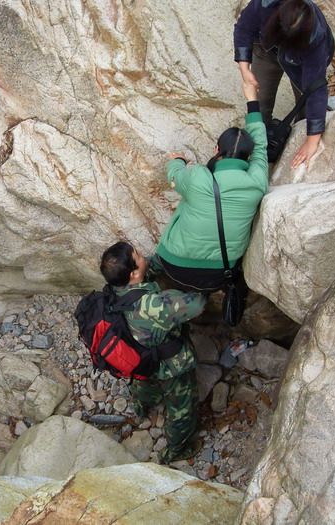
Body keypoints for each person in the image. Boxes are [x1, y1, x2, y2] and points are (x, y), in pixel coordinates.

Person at [151, 81, 267, 294]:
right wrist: (252, 101)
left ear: (216, 149)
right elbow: (261, 146)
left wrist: (178, 160)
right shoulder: (257, 180)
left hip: (174, 265)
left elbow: (174, 176)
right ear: (249, 157)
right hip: (219, 274)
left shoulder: (198, 177)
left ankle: (151, 269)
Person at [100, 241, 206, 463]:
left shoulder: (114, 289)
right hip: (170, 366)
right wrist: (205, 279)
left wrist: (168, 255)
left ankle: (143, 407)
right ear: (134, 273)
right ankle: (176, 451)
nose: (141, 254)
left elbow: (148, 272)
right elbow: (198, 303)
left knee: (144, 383)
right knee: (182, 410)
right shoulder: (155, 306)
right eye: (138, 256)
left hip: (138, 358)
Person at [234, 0, 335, 168]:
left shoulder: (315, 37)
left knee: (304, 103)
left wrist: (312, 139)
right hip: (266, 49)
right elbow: (244, 28)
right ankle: (259, 151)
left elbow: (315, 89)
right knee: (261, 101)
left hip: (300, 60)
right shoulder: (265, 4)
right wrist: (244, 68)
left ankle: (297, 134)